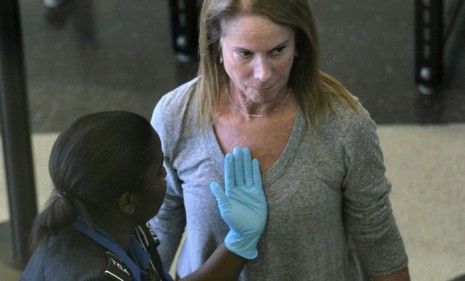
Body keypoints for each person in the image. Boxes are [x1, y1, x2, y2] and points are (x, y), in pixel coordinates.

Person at [148, 0, 410, 280]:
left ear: (298, 43)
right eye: (244, 54)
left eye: (277, 50)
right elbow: (158, 226)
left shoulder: (345, 123)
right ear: (217, 48)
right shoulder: (176, 115)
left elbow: (376, 235)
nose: (263, 74)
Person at [19, 111, 267, 281]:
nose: (166, 178)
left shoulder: (111, 223)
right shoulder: (92, 275)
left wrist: (239, 243)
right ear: (128, 201)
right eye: (160, 171)